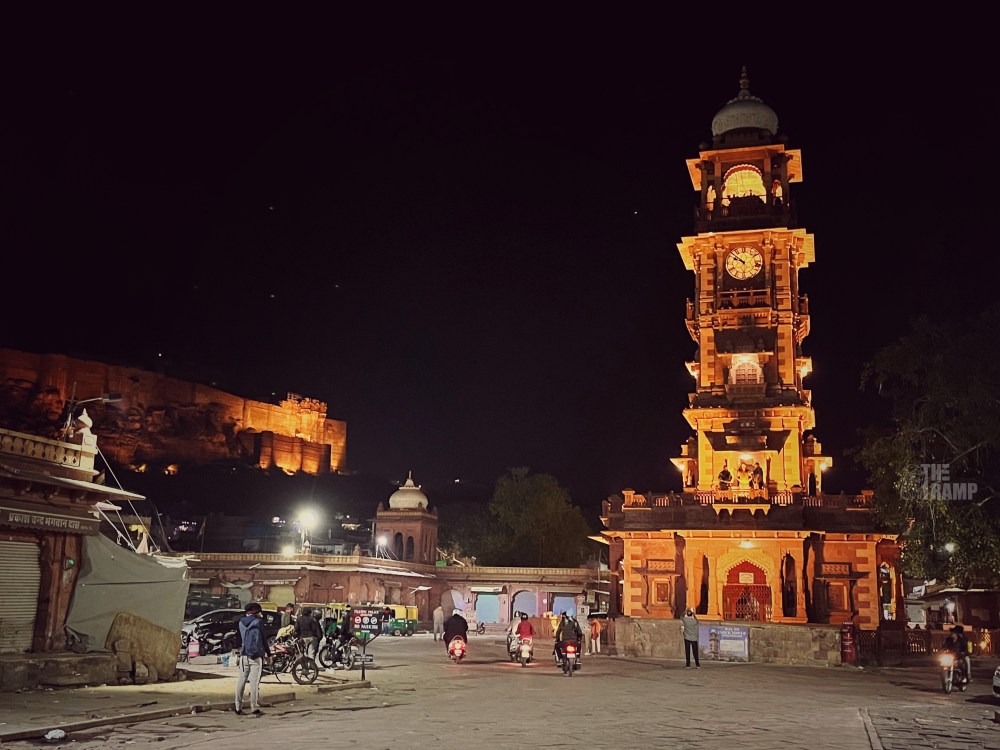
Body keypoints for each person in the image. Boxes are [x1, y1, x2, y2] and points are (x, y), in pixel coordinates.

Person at [235, 602, 270, 716]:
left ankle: (237, 706)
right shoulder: (258, 622)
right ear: (256, 612)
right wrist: (268, 654)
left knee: (241, 681)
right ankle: (253, 707)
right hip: (255, 656)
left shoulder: (241, 622)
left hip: (244, 655)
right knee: (254, 682)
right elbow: (264, 640)